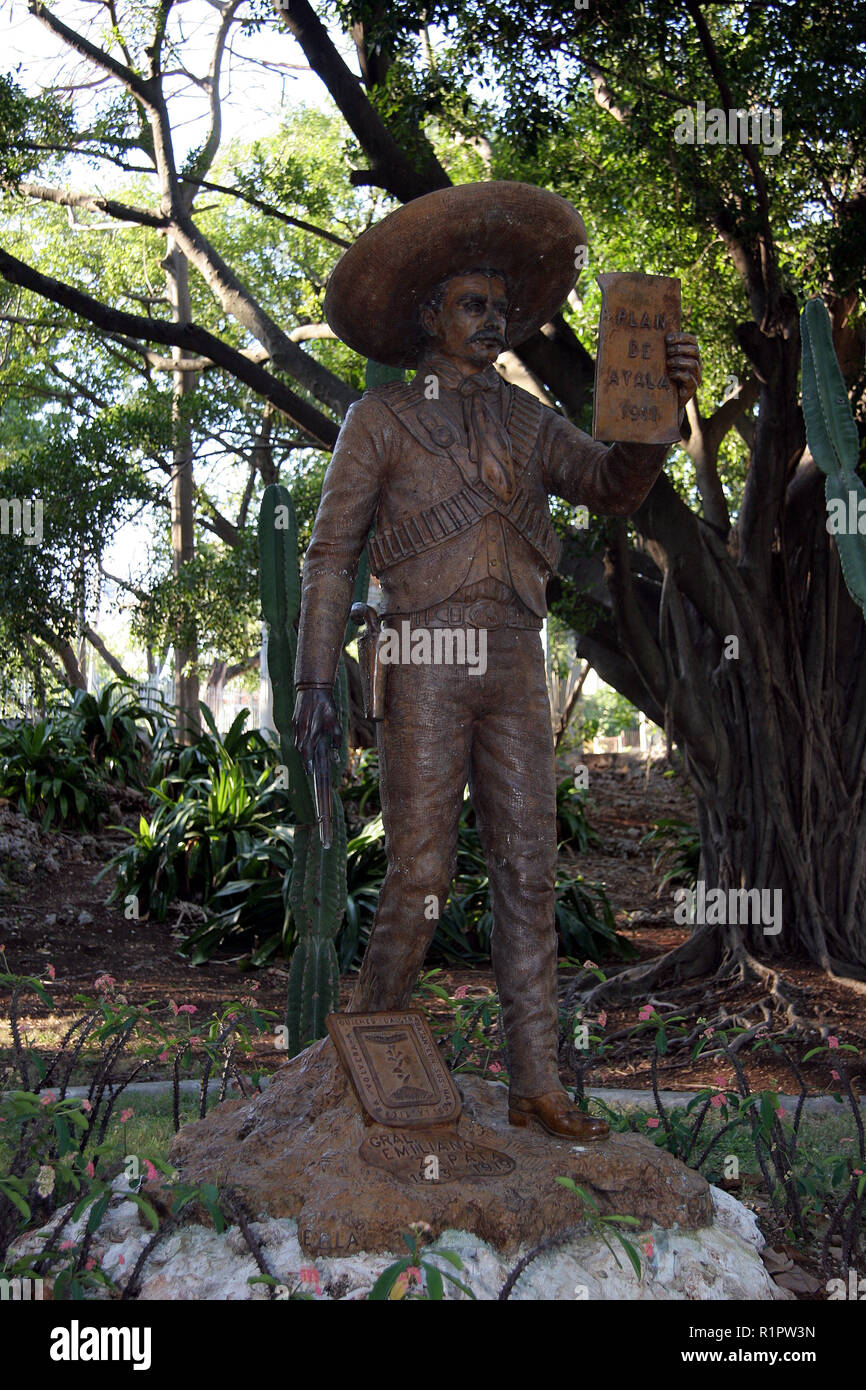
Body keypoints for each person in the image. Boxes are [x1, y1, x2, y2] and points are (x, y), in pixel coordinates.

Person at [293, 182, 701, 1139]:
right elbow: (327, 554)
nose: (492, 322)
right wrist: (315, 678)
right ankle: (366, 1034)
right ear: (430, 316)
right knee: (422, 868)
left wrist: (657, 411)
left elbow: (610, 485)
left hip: (514, 656)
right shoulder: (381, 421)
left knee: (528, 872)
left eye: (501, 309)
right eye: (472, 305)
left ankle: (536, 1084)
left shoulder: (528, 422)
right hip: (424, 655)